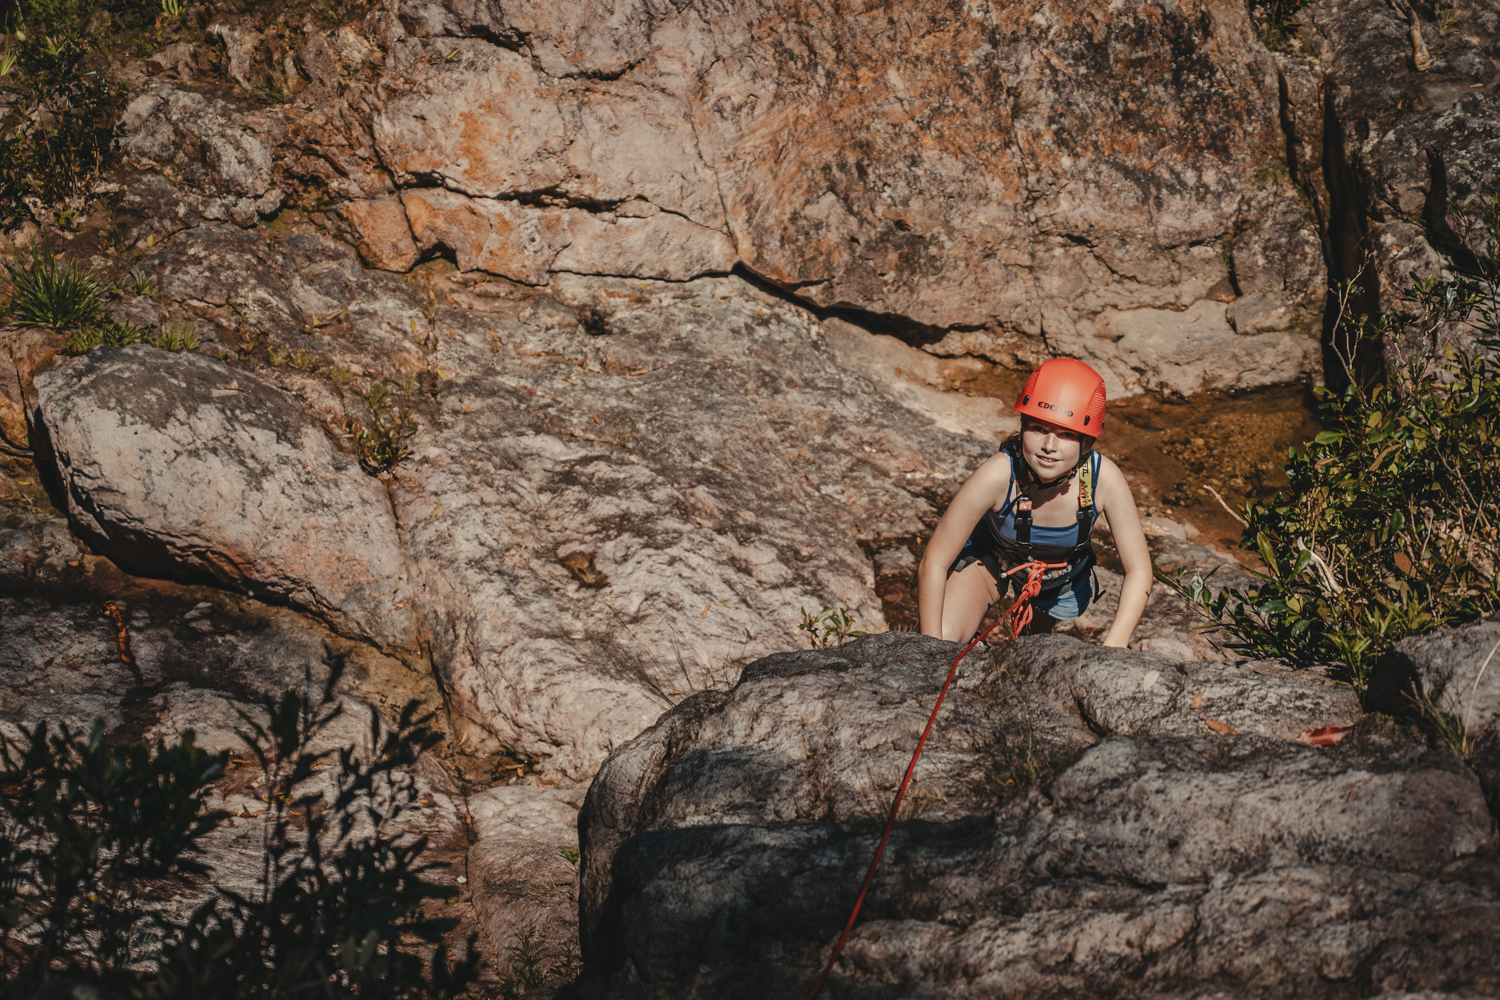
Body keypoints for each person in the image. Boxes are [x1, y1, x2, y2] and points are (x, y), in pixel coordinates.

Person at [917, 358, 1151, 646]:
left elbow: (1139, 570)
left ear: (1087, 443)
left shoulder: (1103, 480)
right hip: (992, 559)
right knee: (944, 631)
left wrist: (1113, 647)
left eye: (1066, 434)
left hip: (1057, 576)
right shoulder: (997, 475)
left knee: (1028, 649)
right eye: (1039, 428)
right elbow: (935, 560)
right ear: (1023, 425)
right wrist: (927, 651)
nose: (1049, 446)